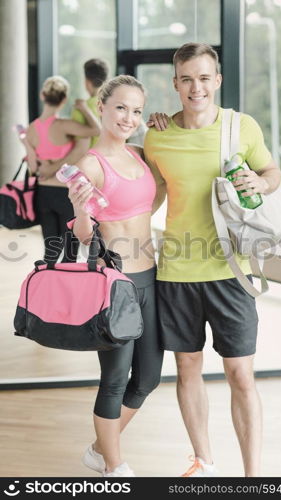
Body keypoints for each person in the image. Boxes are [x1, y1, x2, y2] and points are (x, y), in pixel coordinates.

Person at [144, 42, 281, 477]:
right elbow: (151, 194)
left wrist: (259, 185)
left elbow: (272, 173)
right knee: (187, 366)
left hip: (231, 270)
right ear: (175, 84)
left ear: (217, 81)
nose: (196, 87)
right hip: (176, 270)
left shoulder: (242, 127)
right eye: (187, 79)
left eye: (204, 78)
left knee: (241, 373)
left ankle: (253, 476)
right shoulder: (158, 135)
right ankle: (203, 462)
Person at [67, 75, 164, 477]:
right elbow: (83, 237)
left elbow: (151, 198)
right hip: (114, 283)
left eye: (137, 110)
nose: (129, 117)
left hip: (150, 276)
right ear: (102, 107)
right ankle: (114, 464)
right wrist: (82, 210)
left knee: (149, 378)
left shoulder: (141, 154)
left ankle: (98, 448)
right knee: (114, 379)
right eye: (121, 107)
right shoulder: (90, 165)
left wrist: (163, 123)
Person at [24, 75, 101, 263]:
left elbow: (33, 167)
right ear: (64, 100)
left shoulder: (31, 129)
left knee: (50, 250)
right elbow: (96, 130)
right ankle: (65, 290)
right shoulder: (63, 125)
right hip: (64, 193)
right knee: (70, 252)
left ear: (43, 96)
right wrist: (83, 108)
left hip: (43, 193)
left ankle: (47, 288)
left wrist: (28, 147)